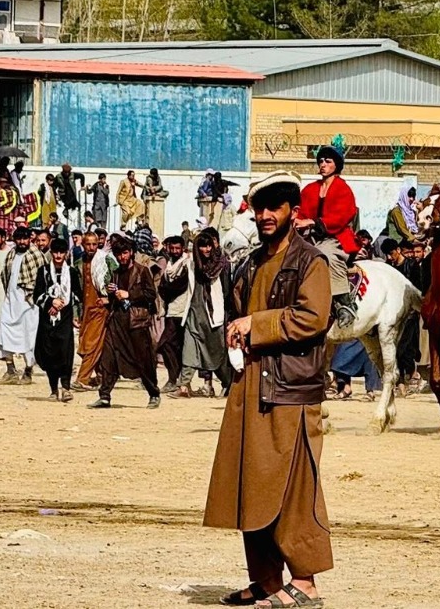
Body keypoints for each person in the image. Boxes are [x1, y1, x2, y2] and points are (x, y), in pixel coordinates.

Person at [205, 171, 334, 609]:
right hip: (252, 385)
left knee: (295, 488)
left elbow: (313, 318)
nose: (264, 216)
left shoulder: (310, 262)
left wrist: (255, 325)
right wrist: (236, 330)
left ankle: (306, 582)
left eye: (274, 208)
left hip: (291, 392)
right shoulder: (253, 260)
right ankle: (265, 580)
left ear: (293, 213)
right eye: (259, 208)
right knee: (252, 485)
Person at [90, 233, 162, 409]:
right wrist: (110, 297)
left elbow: (150, 295)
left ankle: (154, 393)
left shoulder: (142, 271)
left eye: (125, 253)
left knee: (143, 359)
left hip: (136, 321)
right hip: (117, 321)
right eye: (119, 254)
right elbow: (116, 297)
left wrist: (130, 294)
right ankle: (105, 395)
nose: (122, 257)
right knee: (109, 357)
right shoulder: (115, 273)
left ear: (131, 252)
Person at [172, 228, 234, 398]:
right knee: (189, 349)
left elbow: (227, 292)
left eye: (209, 246)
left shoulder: (222, 265)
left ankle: (229, 384)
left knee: (216, 353)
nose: (207, 250)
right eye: (203, 246)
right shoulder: (192, 264)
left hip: (214, 315)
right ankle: (184, 386)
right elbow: (173, 275)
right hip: (194, 312)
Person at [33, 238, 80, 402]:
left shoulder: (72, 272)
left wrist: (64, 305)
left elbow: (77, 295)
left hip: (65, 319)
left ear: (66, 253)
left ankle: (66, 388)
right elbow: (36, 295)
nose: (58, 255)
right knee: (49, 353)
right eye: (56, 252)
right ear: (51, 253)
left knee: (65, 353)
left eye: (62, 252)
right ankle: (54, 389)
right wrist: (50, 302)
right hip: (47, 319)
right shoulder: (43, 271)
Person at [0, 227, 43, 385]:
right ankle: (10, 369)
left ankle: (28, 370)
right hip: (11, 300)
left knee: (28, 336)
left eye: (25, 239)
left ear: (29, 239)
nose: (22, 242)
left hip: (28, 302)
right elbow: (6, 275)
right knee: (3, 330)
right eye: (19, 239)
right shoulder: (12, 253)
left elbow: (41, 279)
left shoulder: (35, 254)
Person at [299, 146, 358, 254]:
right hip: (310, 236)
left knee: (322, 254)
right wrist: (297, 220)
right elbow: (300, 211)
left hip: (336, 239)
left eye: (328, 161)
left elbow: (340, 218)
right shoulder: (309, 189)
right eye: (321, 161)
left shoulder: (343, 189)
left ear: (336, 165)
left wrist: (313, 222)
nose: (323, 164)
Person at [74, 229, 110, 392]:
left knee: (91, 344)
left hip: (100, 309)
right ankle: (102, 376)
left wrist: (109, 298)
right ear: (82, 245)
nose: (91, 247)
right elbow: (76, 290)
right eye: (88, 244)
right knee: (84, 345)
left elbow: (116, 280)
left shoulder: (105, 261)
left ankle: (82, 378)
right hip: (86, 309)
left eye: (94, 244)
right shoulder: (79, 262)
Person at [155, 236, 191, 393]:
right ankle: (173, 378)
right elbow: (162, 287)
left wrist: (167, 288)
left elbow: (179, 286)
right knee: (168, 345)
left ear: (182, 248)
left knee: (175, 345)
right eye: (173, 248)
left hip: (183, 311)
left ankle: (178, 380)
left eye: (178, 248)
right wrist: (167, 288)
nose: (175, 251)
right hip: (171, 312)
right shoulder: (170, 265)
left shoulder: (186, 264)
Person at [143, 168, 168, 237]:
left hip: (157, 191)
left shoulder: (158, 178)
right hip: (149, 192)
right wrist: (152, 190)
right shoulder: (149, 178)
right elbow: (149, 186)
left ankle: (158, 195)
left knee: (166, 193)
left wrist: (155, 189)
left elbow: (160, 186)